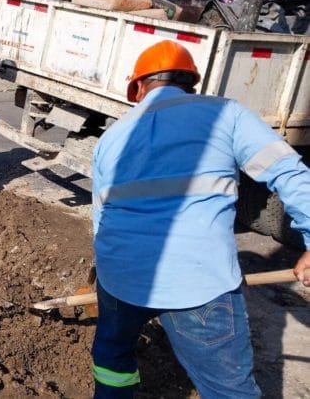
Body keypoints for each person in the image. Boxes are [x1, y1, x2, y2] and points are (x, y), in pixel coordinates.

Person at [90, 40, 310, 397]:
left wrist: (103, 269)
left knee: (113, 359)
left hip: (119, 275)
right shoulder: (226, 114)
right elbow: (290, 174)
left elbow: (101, 216)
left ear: (139, 87)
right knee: (228, 391)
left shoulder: (113, 135)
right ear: (191, 84)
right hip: (198, 282)